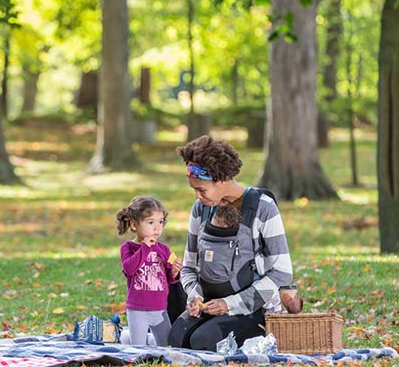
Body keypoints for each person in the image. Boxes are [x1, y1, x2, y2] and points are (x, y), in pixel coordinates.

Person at [168, 135, 293, 352]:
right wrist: (194, 295)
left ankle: (260, 335)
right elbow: (189, 266)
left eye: (202, 190)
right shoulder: (201, 209)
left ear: (222, 179)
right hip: (209, 304)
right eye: (194, 190)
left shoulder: (263, 208)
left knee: (202, 342)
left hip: (253, 307)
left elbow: (281, 273)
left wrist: (230, 304)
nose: (197, 197)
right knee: (177, 338)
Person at [118, 195, 183, 346]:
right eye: (150, 222)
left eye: (160, 222)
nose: (157, 227)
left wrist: (174, 272)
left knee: (167, 347)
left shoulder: (164, 249)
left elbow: (168, 278)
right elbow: (129, 268)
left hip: (160, 309)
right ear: (134, 225)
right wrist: (145, 248)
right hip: (137, 309)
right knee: (138, 349)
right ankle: (126, 338)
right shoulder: (128, 247)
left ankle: (135, 338)